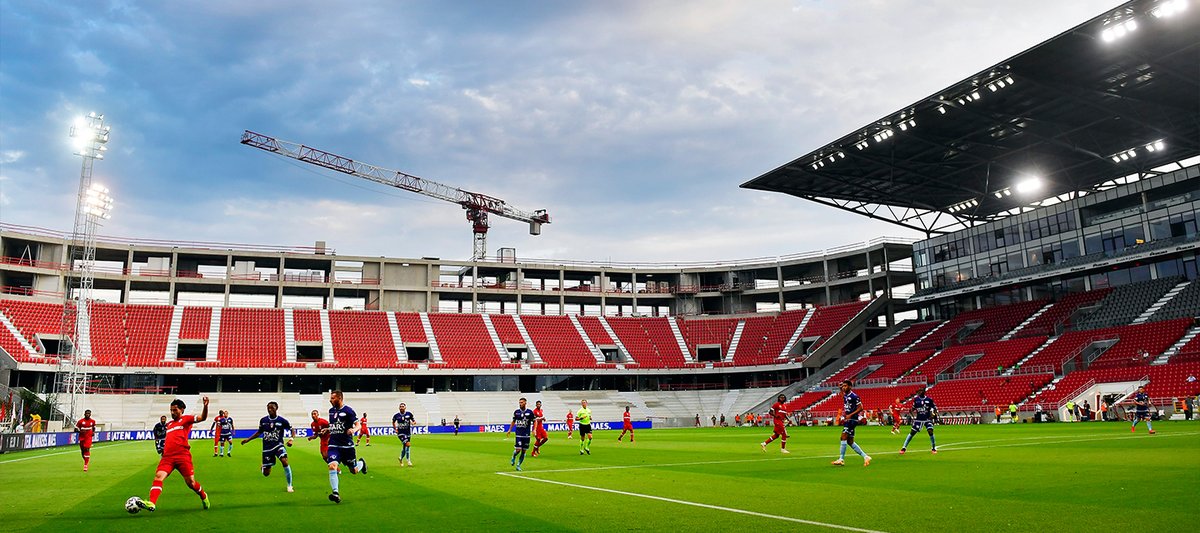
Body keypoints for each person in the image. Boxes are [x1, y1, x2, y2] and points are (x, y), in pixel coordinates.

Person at [135, 397, 210, 512]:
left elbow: (203, 418)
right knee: (158, 477)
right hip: (168, 457)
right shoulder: (169, 424)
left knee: (191, 483)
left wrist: (205, 406)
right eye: (171, 410)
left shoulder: (186, 419)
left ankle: (203, 495)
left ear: (182, 410)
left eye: (175, 410)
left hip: (182, 456)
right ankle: (152, 503)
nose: (172, 413)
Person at [240, 401, 295, 493]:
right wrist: (248, 440)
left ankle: (289, 485)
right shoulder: (263, 420)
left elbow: (292, 429)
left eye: (272, 408)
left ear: (276, 408)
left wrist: (291, 439)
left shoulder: (282, 420)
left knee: (284, 461)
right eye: (268, 408)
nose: (270, 410)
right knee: (266, 474)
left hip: (278, 445)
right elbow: (259, 432)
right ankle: (263, 467)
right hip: (267, 448)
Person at [326, 390, 368, 504]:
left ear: (339, 398)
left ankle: (362, 464)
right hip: (334, 444)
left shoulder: (348, 411)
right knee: (332, 466)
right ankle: (335, 493)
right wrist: (328, 429)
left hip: (347, 446)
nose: (330, 400)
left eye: (333, 398)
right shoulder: (331, 411)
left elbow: (358, 425)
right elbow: (335, 426)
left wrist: (353, 430)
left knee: (353, 470)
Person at [831, 380, 871, 467]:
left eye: (845, 386)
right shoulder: (845, 395)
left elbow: (861, 408)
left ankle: (841, 459)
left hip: (852, 419)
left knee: (843, 436)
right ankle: (866, 457)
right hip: (849, 419)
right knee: (850, 441)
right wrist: (840, 389)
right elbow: (843, 397)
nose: (844, 387)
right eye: (843, 386)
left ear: (850, 386)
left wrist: (850, 415)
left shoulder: (854, 396)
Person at [900, 387, 938, 455]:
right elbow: (913, 408)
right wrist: (911, 410)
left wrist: (934, 414)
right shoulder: (916, 400)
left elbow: (935, 408)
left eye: (921, 391)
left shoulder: (929, 400)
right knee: (912, 433)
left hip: (927, 419)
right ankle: (904, 447)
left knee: (930, 431)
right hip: (919, 419)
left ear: (924, 391)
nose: (919, 392)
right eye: (919, 391)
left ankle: (933, 448)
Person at [505, 397, 535, 471]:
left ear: (525, 403)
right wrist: (509, 430)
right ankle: (513, 457)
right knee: (518, 450)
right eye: (519, 402)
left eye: (521, 402)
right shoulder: (516, 412)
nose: (520, 404)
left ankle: (518, 465)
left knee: (524, 451)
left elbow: (535, 421)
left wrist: (534, 430)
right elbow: (513, 421)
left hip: (526, 434)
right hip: (518, 434)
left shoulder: (530, 412)